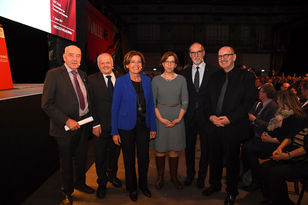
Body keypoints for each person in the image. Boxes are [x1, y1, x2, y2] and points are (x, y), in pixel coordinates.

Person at [202, 46, 256, 205]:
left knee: (232, 161)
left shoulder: (246, 77)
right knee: (214, 158)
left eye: (226, 55)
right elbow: (206, 100)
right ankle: (214, 184)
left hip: (233, 126)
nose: (222, 59)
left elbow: (248, 102)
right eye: (219, 56)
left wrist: (229, 119)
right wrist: (211, 116)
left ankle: (231, 192)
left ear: (234, 57)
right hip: (214, 125)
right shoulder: (214, 77)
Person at [41, 45, 94, 205]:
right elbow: (47, 104)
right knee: (66, 162)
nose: (75, 59)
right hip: (64, 128)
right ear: (64, 57)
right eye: (71, 55)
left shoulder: (83, 74)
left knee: (81, 157)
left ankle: (81, 183)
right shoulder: (54, 75)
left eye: (78, 56)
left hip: (83, 126)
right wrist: (66, 120)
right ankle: (67, 191)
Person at [111, 50, 156, 202]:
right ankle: (132, 188)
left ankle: (143, 185)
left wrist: (153, 127)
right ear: (127, 65)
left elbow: (150, 105)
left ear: (142, 65)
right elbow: (115, 107)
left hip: (144, 126)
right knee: (128, 159)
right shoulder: (121, 81)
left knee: (144, 159)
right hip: (125, 127)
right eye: (133, 62)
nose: (136, 64)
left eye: (139, 62)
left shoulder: (147, 81)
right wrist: (114, 131)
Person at [242, 90, 305, 192]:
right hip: (273, 141)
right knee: (248, 146)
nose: (277, 101)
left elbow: (290, 137)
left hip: (281, 145)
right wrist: (266, 134)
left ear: (285, 101)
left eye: (279, 99)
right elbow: (271, 128)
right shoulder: (282, 112)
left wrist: (271, 139)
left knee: (250, 150)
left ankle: (257, 180)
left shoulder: (295, 116)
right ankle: (255, 179)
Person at [181, 42, 219, 189]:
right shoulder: (183, 73)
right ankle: (190, 174)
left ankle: (202, 177)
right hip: (188, 116)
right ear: (190, 55)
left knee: (206, 149)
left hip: (207, 117)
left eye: (199, 52)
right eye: (193, 53)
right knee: (189, 148)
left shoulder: (215, 72)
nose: (196, 55)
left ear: (204, 53)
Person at [151, 51, 188, 190]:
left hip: (177, 116)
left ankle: (173, 176)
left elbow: (185, 101)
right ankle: (160, 176)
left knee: (174, 149)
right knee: (160, 149)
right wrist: (160, 118)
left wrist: (179, 118)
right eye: (167, 61)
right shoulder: (156, 80)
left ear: (176, 64)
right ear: (162, 63)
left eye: (172, 62)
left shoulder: (181, 80)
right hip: (160, 116)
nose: (169, 64)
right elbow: (152, 102)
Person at [87, 53, 122, 199]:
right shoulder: (91, 80)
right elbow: (89, 103)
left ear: (113, 63)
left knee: (115, 155)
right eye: (102, 63)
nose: (106, 65)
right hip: (100, 126)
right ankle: (101, 183)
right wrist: (95, 123)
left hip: (119, 127)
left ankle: (112, 176)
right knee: (100, 157)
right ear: (98, 64)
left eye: (108, 62)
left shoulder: (121, 79)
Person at [259, 117, 307, 205]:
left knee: (275, 173)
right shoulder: (303, 117)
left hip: (304, 161)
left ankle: (283, 202)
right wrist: (280, 148)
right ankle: (272, 198)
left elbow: (306, 149)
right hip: (293, 153)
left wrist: (287, 156)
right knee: (265, 166)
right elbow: (290, 136)